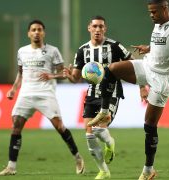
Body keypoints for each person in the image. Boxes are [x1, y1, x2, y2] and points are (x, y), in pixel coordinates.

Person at [87, 1, 169, 180]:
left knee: (149, 125)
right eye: (149, 12)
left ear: (164, 9)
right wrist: (149, 48)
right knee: (111, 69)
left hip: (163, 79)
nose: (151, 15)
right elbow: (163, 46)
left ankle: (148, 169)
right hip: (148, 66)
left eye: (154, 12)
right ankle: (105, 112)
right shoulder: (157, 26)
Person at [0, 19, 85, 176]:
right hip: (26, 93)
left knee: (59, 127)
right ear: (28, 33)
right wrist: (13, 89)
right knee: (16, 126)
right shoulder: (22, 51)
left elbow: (64, 74)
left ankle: (77, 157)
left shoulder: (53, 51)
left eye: (39, 30)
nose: (36, 32)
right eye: (33, 30)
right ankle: (11, 166)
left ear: (44, 32)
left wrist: (51, 75)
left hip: (45, 93)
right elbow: (21, 73)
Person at [63, 15, 132, 179]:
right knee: (89, 134)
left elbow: (132, 64)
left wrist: (143, 86)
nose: (98, 30)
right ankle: (104, 171)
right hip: (91, 94)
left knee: (100, 129)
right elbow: (75, 78)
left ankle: (110, 143)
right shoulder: (82, 50)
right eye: (95, 26)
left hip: (111, 92)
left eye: (101, 27)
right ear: (89, 28)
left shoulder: (115, 46)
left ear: (105, 29)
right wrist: (69, 76)